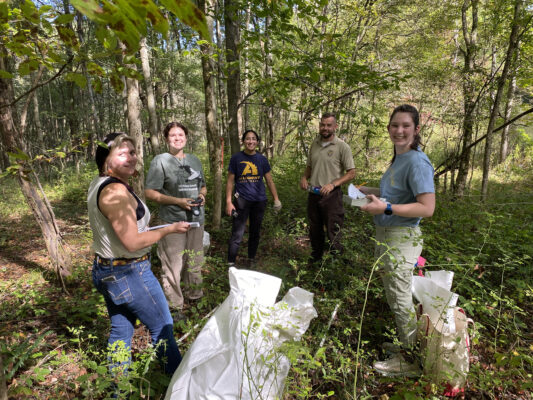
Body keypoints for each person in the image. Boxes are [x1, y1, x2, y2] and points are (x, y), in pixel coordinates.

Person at [88, 132, 189, 376]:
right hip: (129, 272)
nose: (130, 158)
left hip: (108, 269)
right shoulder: (115, 192)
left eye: (132, 152)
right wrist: (169, 229)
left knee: (121, 331)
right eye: (121, 153)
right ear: (106, 160)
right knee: (163, 327)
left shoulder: (99, 184)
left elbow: (123, 229)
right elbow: (132, 242)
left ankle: (118, 389)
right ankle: (180, 385)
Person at [360, 104, 435, 377]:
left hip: (401, 238)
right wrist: (368, 191)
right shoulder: (399, 159)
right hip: (387, 236)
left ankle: (411, 361)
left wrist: (386, 209)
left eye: (405, 126)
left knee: (401, 297)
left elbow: (427, 207)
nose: (399, 130)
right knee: (395, 295)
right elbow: (393, 192)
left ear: (416, 130)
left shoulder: (417, 161)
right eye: (394, 125)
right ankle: (406, 345)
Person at [145, 122, 206, 318]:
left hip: (196, 220)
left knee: (195, 260)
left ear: (186, 138)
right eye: (173, 135)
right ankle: (174, 306)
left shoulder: (195, 160)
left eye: (181, 134)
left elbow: (203, 186)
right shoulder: (160, 161)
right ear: (166, 139)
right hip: (172, 221)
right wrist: (177, 201)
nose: (177, 138)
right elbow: (150, 193)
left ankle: (195, 297)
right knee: (173, 264)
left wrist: (202, 196)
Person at [299, 112, 355, 263]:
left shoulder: (342, 147)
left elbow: (351, 173)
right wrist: (304, 177)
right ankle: (316, 260)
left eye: (329, 125)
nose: (325, 128)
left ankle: (335, 265)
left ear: (335, 126)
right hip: (314, 193)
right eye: (322, 124)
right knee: (314, 229)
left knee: (333, 231)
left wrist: (333, 184)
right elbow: (309, 166)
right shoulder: (314, 144)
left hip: (332, 196)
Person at [226, 129, 282, 267]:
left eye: (253, 139)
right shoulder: (236, 158)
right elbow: (230, 181)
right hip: (241, 201)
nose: (250, 141)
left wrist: (276, 199)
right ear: (243, 141)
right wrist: (228, 201)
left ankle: (251, 259)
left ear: (257, 142)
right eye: (248, 139)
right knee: (237, 233)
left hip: (259, 201)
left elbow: (269, 181)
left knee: (255, 232)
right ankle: (230, 262)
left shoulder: (262, 160)